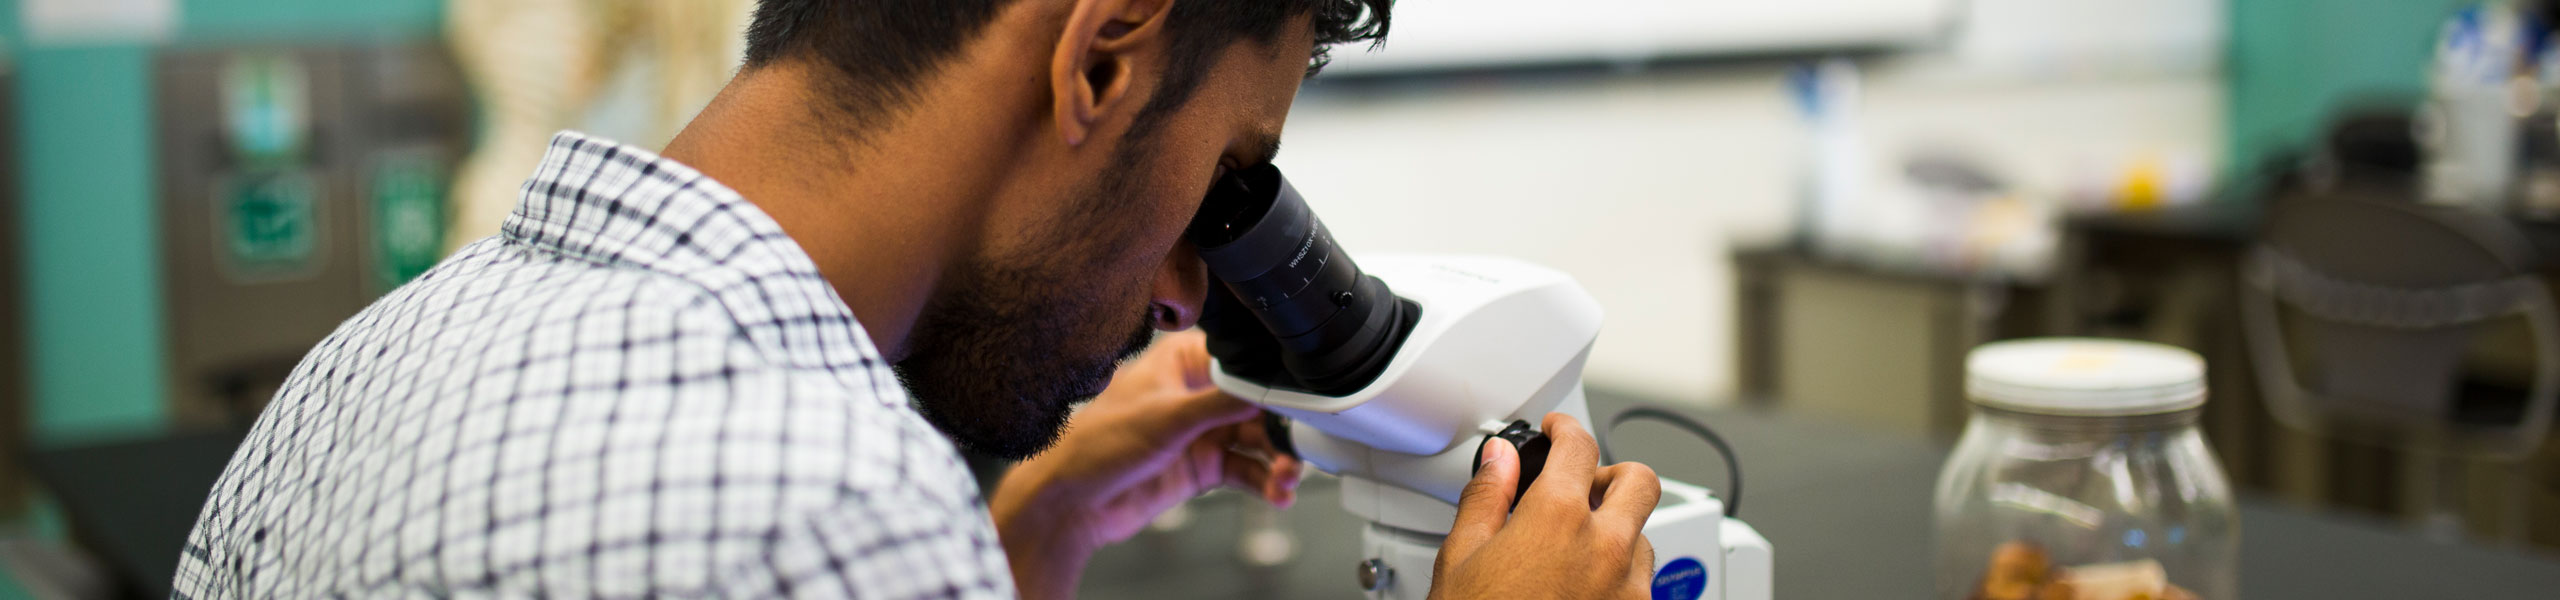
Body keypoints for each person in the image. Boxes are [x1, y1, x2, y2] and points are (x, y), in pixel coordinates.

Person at [174, 0, 1663, 597]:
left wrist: (1032, 529)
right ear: (1099, 59)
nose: (1181, 292)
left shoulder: (385, 350)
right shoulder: (811, 500)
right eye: (1221, 176)